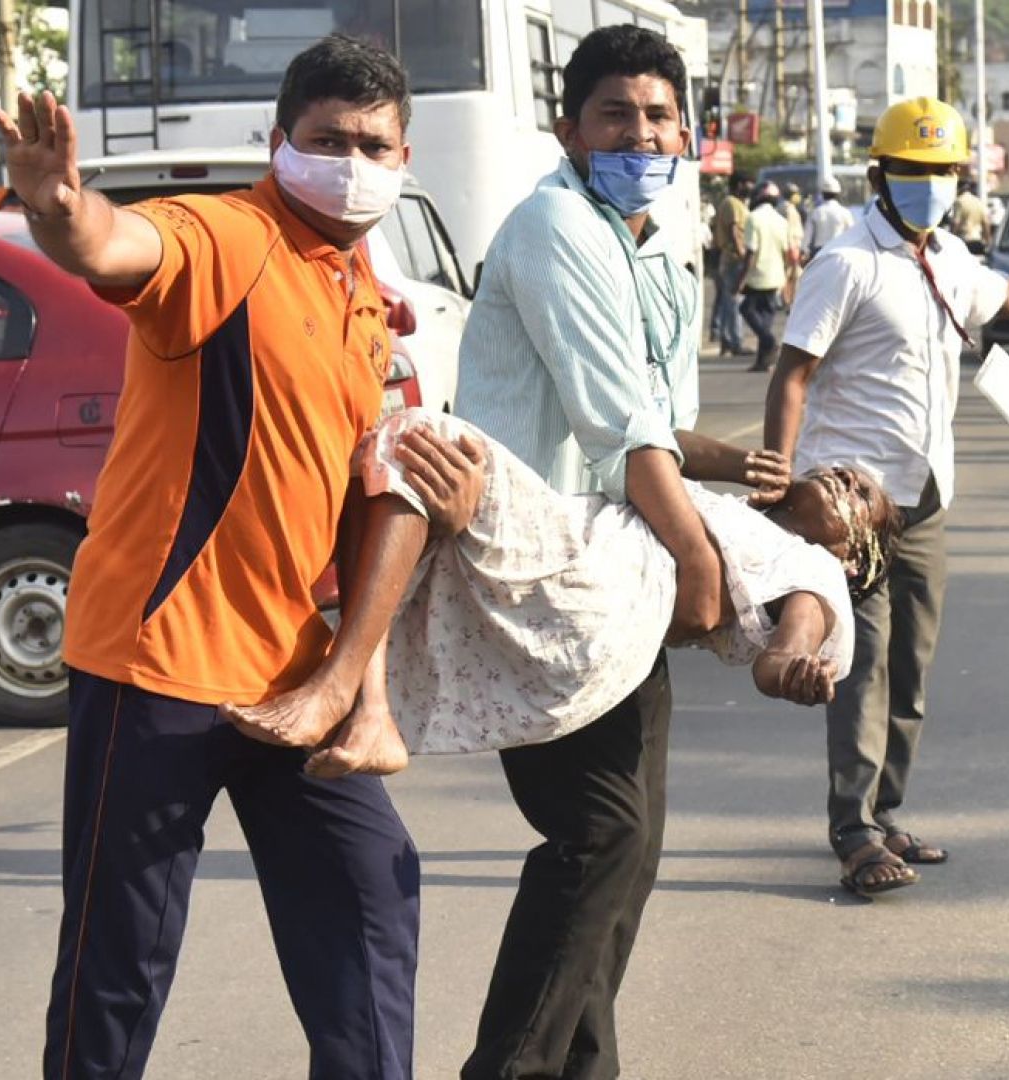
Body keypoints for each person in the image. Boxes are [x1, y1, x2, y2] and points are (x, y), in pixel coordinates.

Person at [0, 35, 447, 1079]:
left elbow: (365, 509)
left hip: (289, 674)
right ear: (278, 141)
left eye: (372, 145)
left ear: (404, 158)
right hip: (155, 663)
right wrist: (59, 208)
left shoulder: (365, 299)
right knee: (120, 963)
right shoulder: (230, 239)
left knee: (371, 890)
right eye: (327, 140)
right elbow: (117, 245)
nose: (351, 162)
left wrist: (360, 691)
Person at [764, 96, 1009, 895]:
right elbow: (793, 374)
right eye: (915, 170)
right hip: (853, 503)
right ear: (880, 175)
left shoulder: (946, 255)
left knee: (911, 667)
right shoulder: (847, 262)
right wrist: (779, 475)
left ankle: (886, 811)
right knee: (863, 663)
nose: (931, 183)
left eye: (944, 170)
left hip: (925, 495)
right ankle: (854, 831)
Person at [444, 26, 723, 1080]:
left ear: (686, 135)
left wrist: (743, 483)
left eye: (658, 117)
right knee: (598, 835)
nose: (640, 135)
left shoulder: (659, 252)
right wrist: (700, 558)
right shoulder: (557, 225)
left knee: (628, 851)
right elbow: (619, 425)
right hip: (537, 576)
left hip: (616, 571)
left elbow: (664, 429)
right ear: (571, 130)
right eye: (616, 115)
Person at [228, 407, 900, 772]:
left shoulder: (815, 574)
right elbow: (654, 437)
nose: (845, 479)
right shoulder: (745, 520)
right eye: (845, 471)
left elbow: (782, 653)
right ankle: (361, 706)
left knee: (423, 440)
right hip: (584, 600)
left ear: (854, 561)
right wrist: (738, 462)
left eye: (862, 495)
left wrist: (794, 672)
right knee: (404, 506)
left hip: (599, 591)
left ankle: (350, 692)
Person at [741, 179, 791, 372]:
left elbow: (750, 252)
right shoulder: (781, 221)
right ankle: (763, 361)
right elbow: (786, 252)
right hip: (776, 276)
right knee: (766, 318)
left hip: (757, 276)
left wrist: (741, 279)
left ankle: (769, 342)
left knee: (746, 309)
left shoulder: (753, 218)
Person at [711, 173, 752, 355]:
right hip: (733, 259)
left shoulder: (738, 204)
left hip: (732, 258)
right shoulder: (732, 203)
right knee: (735, 302)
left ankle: (727, 340)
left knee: (729, 302)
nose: (750, 188)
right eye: (747, 184)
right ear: (739, 185)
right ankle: (735, 342)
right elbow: (734, 231)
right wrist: (743, 255)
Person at [804, 174, 851, 260]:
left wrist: (804, 251)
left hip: (819, 253)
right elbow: (851, 234)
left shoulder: (815, 212)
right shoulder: (845, 213)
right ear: (838, 194)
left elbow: (807, 236)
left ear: (822, 194)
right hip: (838, 252)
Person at [950, 177, 988, 252]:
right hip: (977, 241)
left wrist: (950, 239)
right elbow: (986, 223)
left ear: (958, 188)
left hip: (963, 241)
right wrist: (987, 240)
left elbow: (956, 223)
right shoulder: (978, 201)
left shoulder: (959, 202)